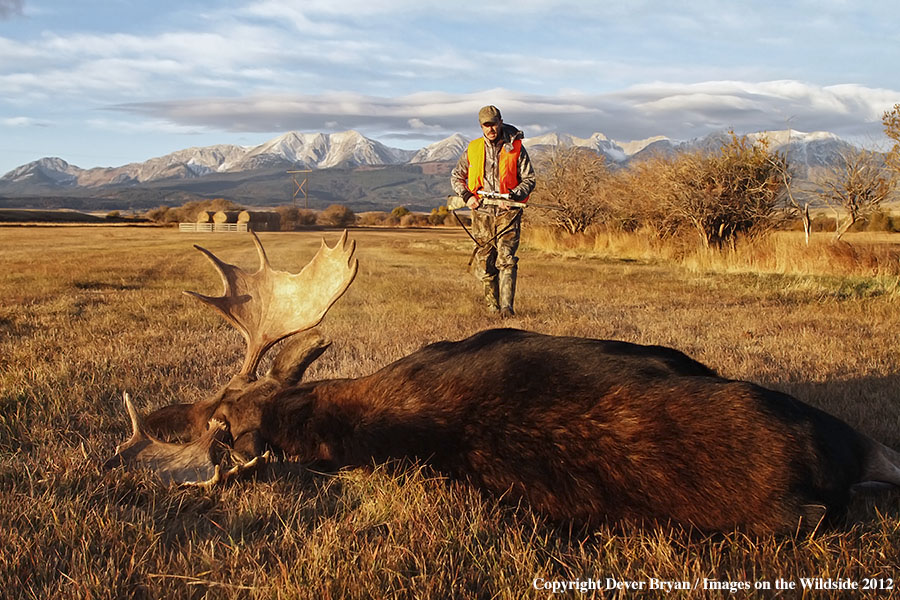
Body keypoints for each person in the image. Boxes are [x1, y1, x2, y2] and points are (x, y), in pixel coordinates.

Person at [450, 105, 536, 318]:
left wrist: (514, 195)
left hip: (508, 213)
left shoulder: (516, 148)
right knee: (485, 261)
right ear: (481, 126)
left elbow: (530, 179)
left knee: (506, 259)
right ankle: (492, 308)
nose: (490, 129)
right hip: (481, 214)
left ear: (500, 122)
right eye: (485, 125)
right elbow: (456, 177)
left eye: (493, 124)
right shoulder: (472, 149)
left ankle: (507, 310)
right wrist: (468, 197)